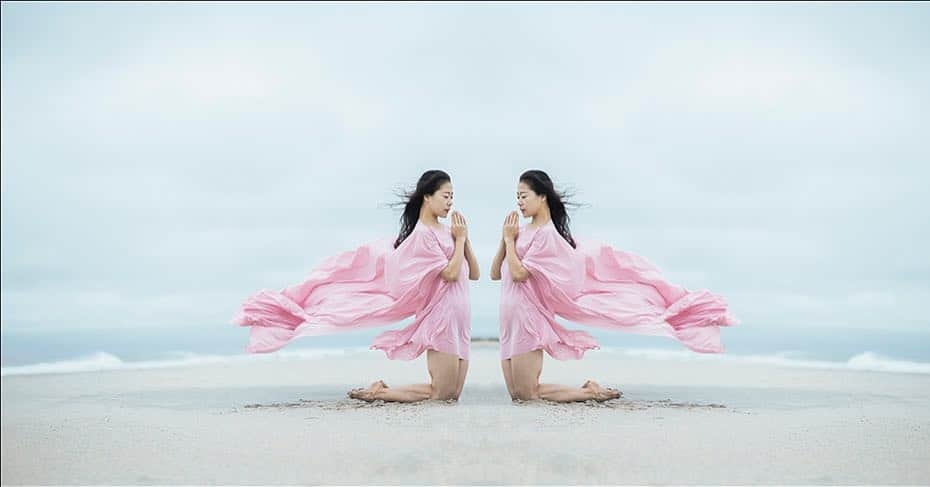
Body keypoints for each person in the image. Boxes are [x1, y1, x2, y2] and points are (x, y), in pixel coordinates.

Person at [490, 170, 739, 402]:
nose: (519, 202)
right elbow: (495, 273)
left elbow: (519, 273)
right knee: (516, 394)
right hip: (507, 317)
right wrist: (506, 239)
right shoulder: (518, 232)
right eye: (517, 197)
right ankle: (586, 391)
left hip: (527, 317)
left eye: (524, 196)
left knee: (528, 394)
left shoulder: (546, 235)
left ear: (542, 197)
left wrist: (510, 241)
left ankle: (589, 393)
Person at [233, 170, 479, 402]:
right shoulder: (423, 235)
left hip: (461, 318)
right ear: (427, 197)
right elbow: (450, 273)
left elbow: (474, 274)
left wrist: (463, 240)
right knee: (441, 394)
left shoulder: (451, 233)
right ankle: (379, 393)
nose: (450, 203)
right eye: (446, 196)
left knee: (452, 394)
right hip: (442, 318)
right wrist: (460, 240)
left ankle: (382, 391)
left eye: (452, 197)